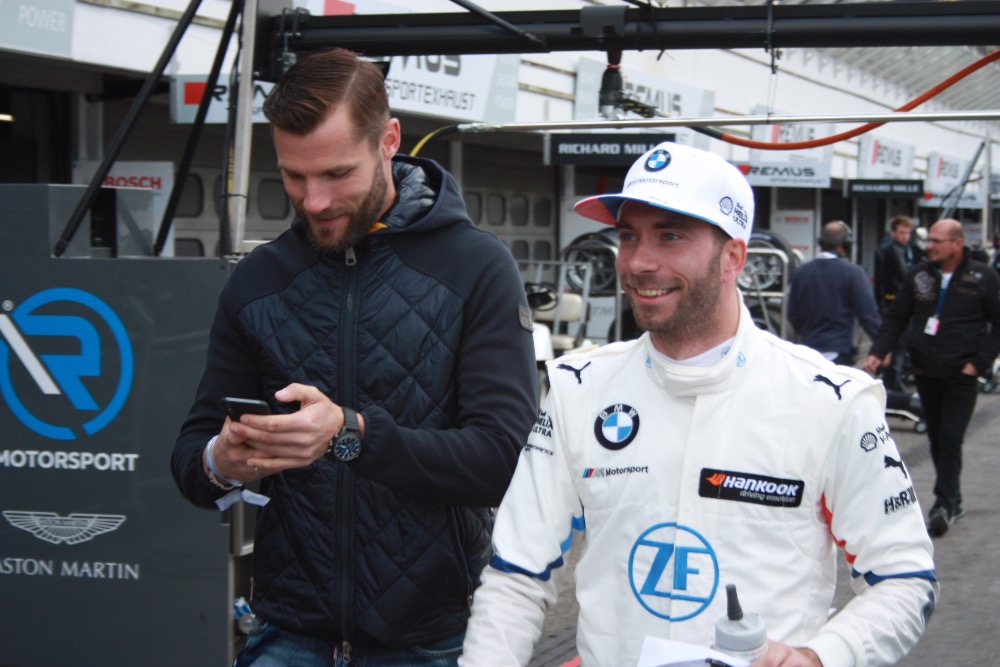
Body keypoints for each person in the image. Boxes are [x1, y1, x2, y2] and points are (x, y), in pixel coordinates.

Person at [460, 142, 937, 667]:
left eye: (670, 236)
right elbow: (515, 577)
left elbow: (904, 579)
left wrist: (819, 656)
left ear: (733, 257)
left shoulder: (832, 401)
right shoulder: (579, 389)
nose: (638, 262)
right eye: (628, 236)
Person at [170, 48, 538, 666]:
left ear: (389, 140)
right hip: (287, 630)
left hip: (430, 640)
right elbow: (190, 461)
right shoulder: (259, 279)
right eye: (293, 177)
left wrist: (352, 435)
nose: (314, 201)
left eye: (337, 174)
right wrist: (222, 460)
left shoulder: (476, 266)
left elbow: (506, 460)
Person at [864, 218, 1000, 537]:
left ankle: (943, 504)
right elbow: (897, 318)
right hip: (926, 372)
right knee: (938, 438)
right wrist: (878, 351)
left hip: (961, 375)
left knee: (950, 437)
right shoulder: (919, 275)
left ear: (957, 243)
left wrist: (978, 364)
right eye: (929, 240)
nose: (930, 246)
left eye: (937, 241)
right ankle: (954, 498)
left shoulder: (983, 276)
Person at [786, 220, 882, 366]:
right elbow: (868, 315)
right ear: (846, 244)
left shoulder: (801, 273)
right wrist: (882, 348)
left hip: (807, 350)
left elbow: (793, 315)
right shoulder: (853, 272)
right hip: (839, 350)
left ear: (820, 242)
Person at [873, 215, 918, 391]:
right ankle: (895, 383)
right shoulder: (892, 251)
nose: (905, 236)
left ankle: (896, 380)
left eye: (907, 233)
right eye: (901, 233)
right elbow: (902, 275)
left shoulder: (908, 250)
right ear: (893, 233)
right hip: (894, 302)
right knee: (898, 346)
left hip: (900, 302)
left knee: (901, 346)